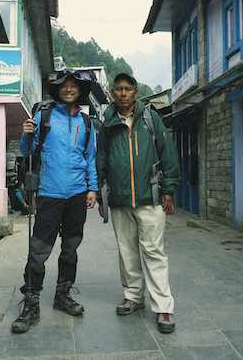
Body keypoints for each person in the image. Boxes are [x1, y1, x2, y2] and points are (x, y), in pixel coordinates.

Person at [11, 70, 98, 334]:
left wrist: (92, 188)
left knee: (70, 250)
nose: (69, 89)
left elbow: (90, 158)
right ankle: (31, 302)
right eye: (65, 86)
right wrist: (26, 133)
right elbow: (26, 151)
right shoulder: (44, 116)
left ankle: (63, 295)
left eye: (74, 86)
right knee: (38, 251)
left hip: (76, 195)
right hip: (49, 194)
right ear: (58, 90)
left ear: (79, 91)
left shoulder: (87, 122)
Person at [97, 73, 180, 334]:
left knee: (154, 252)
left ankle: (164, 307)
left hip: (150, 198)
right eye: (118, 89)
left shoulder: (149, 118)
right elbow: (100, 159)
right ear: (112, 92)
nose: (123, 93)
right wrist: (100, 192)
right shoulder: (107, 123)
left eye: (128, 89)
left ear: (135, 92)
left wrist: (168, 189)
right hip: (120, 200)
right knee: (126, 251)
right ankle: (133, 296)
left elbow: (168, 154)